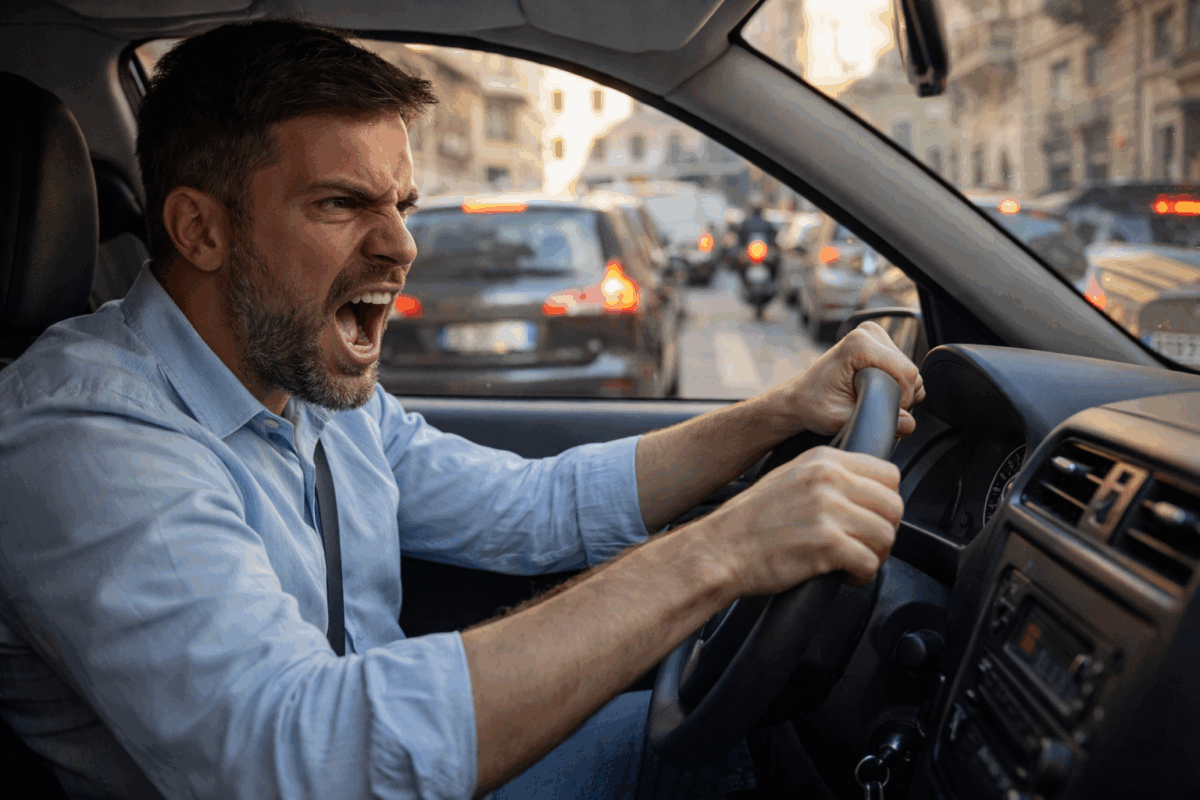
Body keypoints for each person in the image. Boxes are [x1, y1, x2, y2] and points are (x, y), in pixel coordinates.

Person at [0, 20, 924, 800]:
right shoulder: (80, 434)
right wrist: (719, 554)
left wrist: (776, 412)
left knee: (713, 738)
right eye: (342, 203)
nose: (402, 246)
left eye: (402, 203)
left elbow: (537, 508)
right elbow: (300, 753)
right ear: (200, 229)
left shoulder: (316, 393)